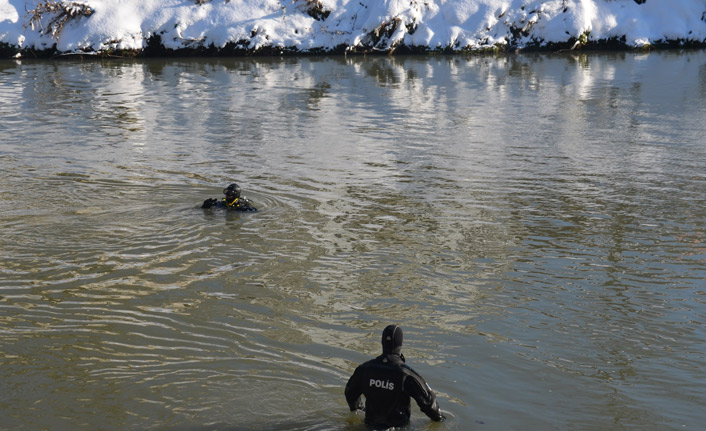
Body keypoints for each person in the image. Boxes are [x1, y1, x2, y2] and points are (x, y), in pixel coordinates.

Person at [345, 325, 445, 428]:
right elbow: (428, 403)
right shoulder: (406, 374)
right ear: (400, 344)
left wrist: (359, 410)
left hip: (369, 426)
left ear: (382, 342)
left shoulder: (365, 369)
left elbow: (350, 393)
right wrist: (440, 419)